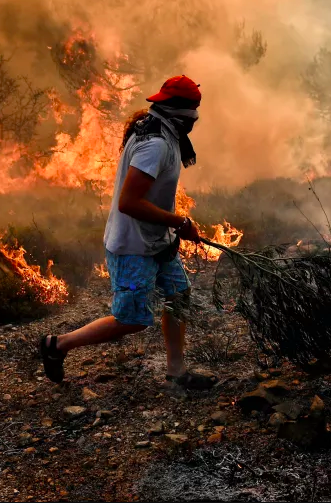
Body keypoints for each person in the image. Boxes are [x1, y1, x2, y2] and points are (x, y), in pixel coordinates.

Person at [39, 75, 215, 389]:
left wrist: (171, 229)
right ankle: (58, 344)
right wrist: (180, 222)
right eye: (194, 111)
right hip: (133, 244)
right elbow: (129, 202)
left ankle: (176, 372)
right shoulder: (156, 144)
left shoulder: (162, 129)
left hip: (157, 239)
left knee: (178, 295)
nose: (196, 119)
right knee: (131, 321)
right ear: (182, 110)